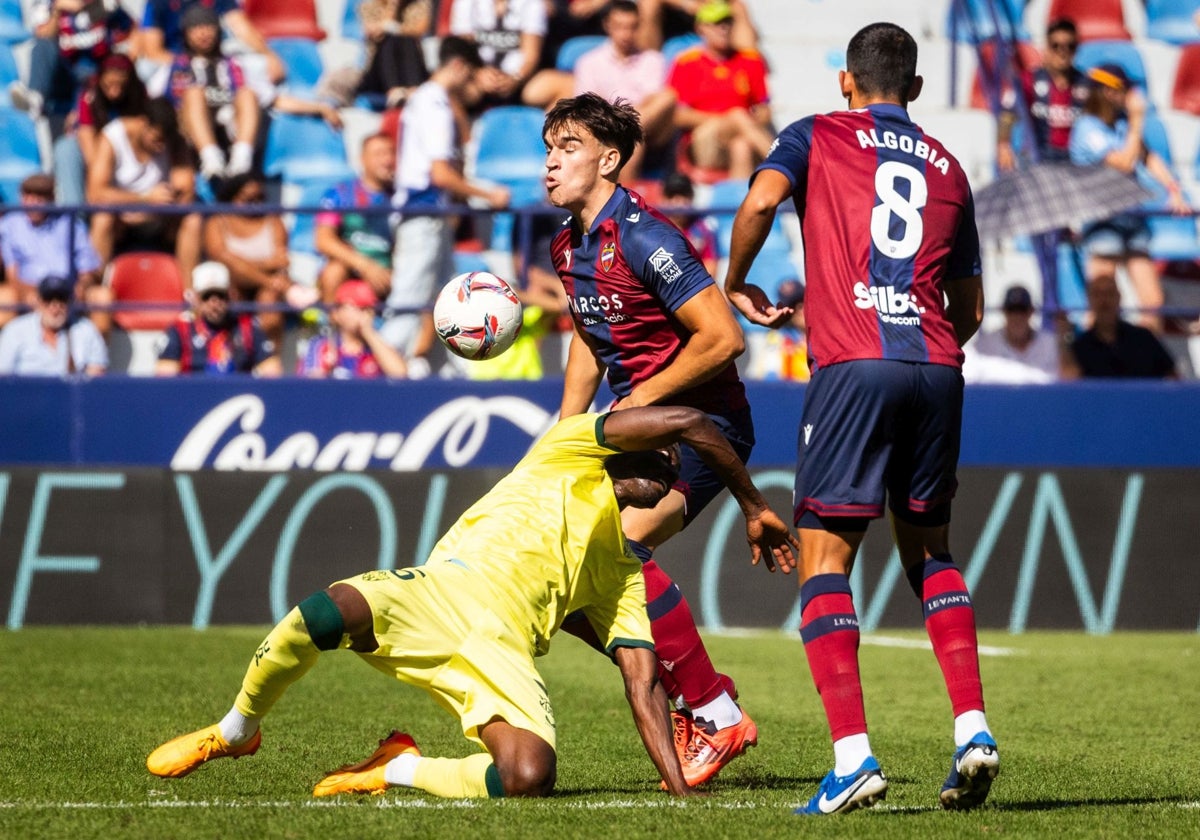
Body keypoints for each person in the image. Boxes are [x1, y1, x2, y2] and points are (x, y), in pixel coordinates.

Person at [145, 405, 798, 799]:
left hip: (502, 651)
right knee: (325, 612)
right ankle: (235, 732)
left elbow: (643, 684)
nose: (660, 464)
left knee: (529, 776)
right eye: (652, 452)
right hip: (443, 592)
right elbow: (689, 421)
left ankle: (397, 770)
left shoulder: (623, 573)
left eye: (667, 471)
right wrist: (754, 503)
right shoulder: (566, 449)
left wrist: (680, 797)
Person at [723, 22, 998, 815]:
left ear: (846, 80)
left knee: (823, 560)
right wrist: (925, 346)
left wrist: (739, 280)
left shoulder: (815, 133)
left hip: (853, 363)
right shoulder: (950, 164)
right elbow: (970, 306)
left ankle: (852, 759)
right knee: (931, 550)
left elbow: (762, 200)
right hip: (937, 365)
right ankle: (974, 730)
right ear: (912, 89)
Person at [544, 93, 761, 787]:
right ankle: (692, 688)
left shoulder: (646, 237)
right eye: (548, 148)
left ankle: (716, 710)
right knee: (566, 575)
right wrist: (566, 432)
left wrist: (639, 399)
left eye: (568, 147)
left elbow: (724, 338)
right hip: (635, 426)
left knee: (617, 551)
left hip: (702, 426)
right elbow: (587, 330)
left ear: (609, 160)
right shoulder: (566, 243)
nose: (551, 162)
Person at [385, 36, 510, 374]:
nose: (471, 86)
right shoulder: (436, 104)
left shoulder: (425, 99)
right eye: (470, 76)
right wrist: (489, 195)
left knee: (447, 302)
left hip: (429, 214)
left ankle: (454, 372)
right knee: (409, 302)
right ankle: (380, 366)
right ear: (458, 67)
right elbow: (440, 174)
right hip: (423, 212)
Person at [1069, 63, 1189, 335]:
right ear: (1108, 92)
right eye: (1122, 89)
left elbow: (1147, 156)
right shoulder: (1088, 128)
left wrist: (1173, 188)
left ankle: (1147, 367)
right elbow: (1123, 163)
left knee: (1153, 303)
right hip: (1102, 221)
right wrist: (1137, 121)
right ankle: (1092, 367)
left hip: (1130, 218)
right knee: (1102, 303)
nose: (1129, 95)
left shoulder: (1121, 123)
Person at [87, 96, 203, 283]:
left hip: (162, 217)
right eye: (157, 139)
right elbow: (95, 193)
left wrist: (152, 210)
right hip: (121, 220)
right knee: (102, 218)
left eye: (165, 141)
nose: (162, 146)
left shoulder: (174, 142)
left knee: (193, 219)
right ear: (143, 124)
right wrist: (144, 199)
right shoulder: (112, 137)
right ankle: (95, 290)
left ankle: (189, 296)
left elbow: (186, 192)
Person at [666, 0, 774, 181]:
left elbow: (764, 110)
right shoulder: (687, 63)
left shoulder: (750, 61)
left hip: (742, 134)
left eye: (727, 23)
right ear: (701, 28)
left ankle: (738, 203)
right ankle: (784, 162)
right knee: (738, 116)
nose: (723, 29)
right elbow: (678, 116)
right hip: (703, 137)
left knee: (741, 147)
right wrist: (729, 119)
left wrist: (745, 120)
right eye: (716, 24)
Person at [203, 173, 314, 346]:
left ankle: (271, 361)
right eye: (248, 199)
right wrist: (267, 268)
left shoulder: (273, 220)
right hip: (233, 286)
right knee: (231, 281)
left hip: (266, 289)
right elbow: (221, 257)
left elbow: (282, 261)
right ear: (232, 198)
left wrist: (249, 266)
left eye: (260, 198)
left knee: (270, 302)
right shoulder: (217, 222)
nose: (255, 204)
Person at [0, 173, 110, 337]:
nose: (33, 203)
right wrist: (37, 295)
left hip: (68, 291)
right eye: (28, 196)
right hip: (29, 292)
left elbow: (88, 268)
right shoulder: (10, 224)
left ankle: (96, 358)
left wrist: (81, 286)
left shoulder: (71, 222)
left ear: (52, 198)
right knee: (5, 298)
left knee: (103, 297)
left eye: (39, 197)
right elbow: (12, 275)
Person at [165, 4, 261, 180]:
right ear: (186, 33)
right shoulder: (179, 65)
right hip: (190, 129)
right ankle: (211, 158)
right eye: (196, 28)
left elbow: (259, 94)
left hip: (229, 122)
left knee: (247, 94)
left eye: (208, 26)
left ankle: (241, 159)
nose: (203, 33)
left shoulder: (233, 63)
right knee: (193, 93)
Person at [11, 0, 136, 128]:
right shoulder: (48, 5)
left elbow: (133, 30)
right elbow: (44, 35)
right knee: (42, 46)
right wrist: (57, 9)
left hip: (94, 73)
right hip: (63, 73)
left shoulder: (105, 5)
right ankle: (36, 98)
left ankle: (72, 114)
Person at [53, 52, 150, 207]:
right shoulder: (90, 96)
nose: (114, 91)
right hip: (97, 156)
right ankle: (77, 217)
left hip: (130, 156)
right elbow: (87, 136)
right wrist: (100, 175)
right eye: (109, 84)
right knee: (66, 148)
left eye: (121, 84)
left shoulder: (141, 96)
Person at [156, 261, 282, 376]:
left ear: (231, 296)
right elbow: (165, 379)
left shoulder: (247, 327)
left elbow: (272, 374)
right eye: (207, 297)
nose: (214, 304)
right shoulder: (180, 330)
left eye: (221, 296)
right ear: (195, 299)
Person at [315, 133, 398, 306]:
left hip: (390, 268)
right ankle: (329, 327)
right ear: (363, 159)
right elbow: (323, 240)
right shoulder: (340, 193)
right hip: (352, 266)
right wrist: (365, 266)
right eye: (379, 154)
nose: (387, 160)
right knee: (333, 272)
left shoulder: (402, 197)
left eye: (391, 153)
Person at [996, 18, 1088, 170]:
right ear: (1047, 47)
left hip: (1076, 158)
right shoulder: (1029, 80)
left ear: (1076, 48)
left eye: (1069, 46)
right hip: (1040, 154)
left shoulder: (1087, 84)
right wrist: (1003, 144)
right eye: (1056, 46)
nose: (1062, 52)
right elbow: (1007, 112)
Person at [136, 0, 284, 86]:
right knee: (145, 68)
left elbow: (241, 26)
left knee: (264, 65)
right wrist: (192, 65)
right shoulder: (157, 3)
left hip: (216, 58)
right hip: (176, 61)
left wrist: (269, 55)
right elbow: (152, 50)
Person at [1062, 270, 1176, 379]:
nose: (1104, 300)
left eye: (1109, 293)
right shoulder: (1081, 347)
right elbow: (1070, 383)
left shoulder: (1144, 338)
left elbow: (1173, 377)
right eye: (1097, 294)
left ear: (1119, 297)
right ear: (1089, 299)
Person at [0, 275, 108, 376]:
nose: (55, 307)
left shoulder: (87, 330)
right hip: (27, 394)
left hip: (70, 394)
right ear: (38, 301)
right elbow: (3, 377)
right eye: (48, 299)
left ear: (70, 302)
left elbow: (96, 377)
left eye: (61, 300)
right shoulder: (15, 331)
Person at [297, 279, 408, 379]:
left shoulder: (377, 347)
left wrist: (369, 333)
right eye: (358, 307)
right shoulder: (321, 345)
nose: (364, 313)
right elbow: (310, 387)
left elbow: (401, 375)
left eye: (367, 308)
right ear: (336, 313)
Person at [450, 0, 547, 108]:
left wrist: (516, 78)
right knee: (449, 87)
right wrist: (478, 73)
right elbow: (461, 49)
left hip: (520, 81)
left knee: (556, 86)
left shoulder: (531, 3)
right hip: (477, 78)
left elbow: (531, 56)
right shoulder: (466, 3)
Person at [964, 285, 1064, 384]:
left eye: (1022, 310)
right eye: (1011, 310)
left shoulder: (1050, 343)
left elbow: (1069, 379)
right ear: (1003, 311)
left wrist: (1066, 338)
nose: (1017, 317)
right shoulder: (985, 345)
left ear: (1031, 312)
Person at [743, 278, 808, 381]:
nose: (801, 308)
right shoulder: (777, 339)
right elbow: (771, 377)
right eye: (793, 306)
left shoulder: (828, 334)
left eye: (803, 301)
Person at [660, 171, 718, 278]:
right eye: (672, 196)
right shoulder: (654, 227)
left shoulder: (703, 229)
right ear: (663, 199)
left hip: (694, 287)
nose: (678, 201)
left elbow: (711, 268)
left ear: (691, 197)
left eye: (683, 195)